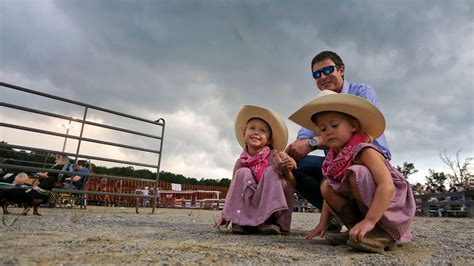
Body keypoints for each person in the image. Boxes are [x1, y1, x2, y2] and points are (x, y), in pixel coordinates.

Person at [273, 51, 391, 231]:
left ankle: (373, 222)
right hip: (337, 166)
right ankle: (337, 217)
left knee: (353, 172)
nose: (323, 77)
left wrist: (313, 142)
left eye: (328, 70)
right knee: (295, 165)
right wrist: (281, 155)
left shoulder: (361, 92)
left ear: (341, 70)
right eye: (316, 74)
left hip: (367, 162)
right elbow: (300, 144)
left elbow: (362, 132)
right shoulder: (320, 107)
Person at [288, 90, 416, 253]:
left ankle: (381, 232)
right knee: (326, 184)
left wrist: (370, 220)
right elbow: (329, 194)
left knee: (357, 173)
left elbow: (387, 185)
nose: (328, 131)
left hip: (388, 205)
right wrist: (323, 222)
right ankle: (356, 228)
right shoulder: (334, 159)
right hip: (366, 206)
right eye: (322, 128)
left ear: (353, 126)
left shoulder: (365, 150)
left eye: (334, 125)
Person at [213, 105, 295, 235]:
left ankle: (269, 221)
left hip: (272, 207)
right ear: (244, 134)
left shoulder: (276, 156)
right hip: (251, 203)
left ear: (269, 140)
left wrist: (287, 169)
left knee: (271, 171)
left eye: (262, 130)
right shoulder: (241, 161)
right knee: (241, 173)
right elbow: (233, 188)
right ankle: (241, 220)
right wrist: (225, 213)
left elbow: (292, 183)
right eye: (252, 128)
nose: (256, 132)